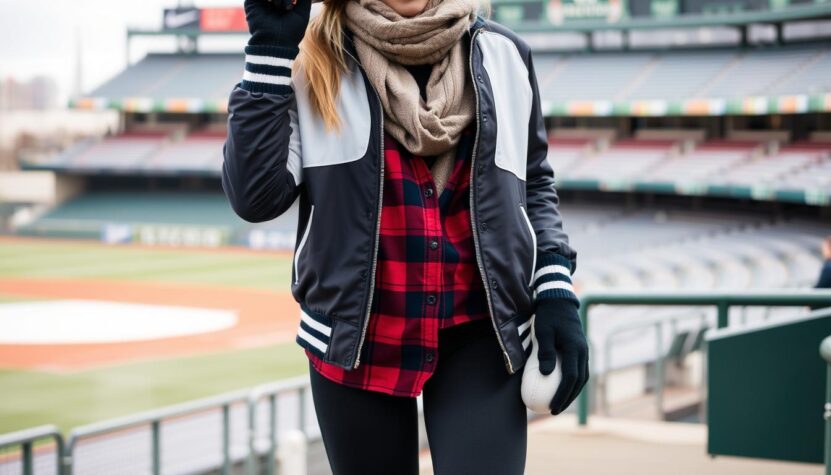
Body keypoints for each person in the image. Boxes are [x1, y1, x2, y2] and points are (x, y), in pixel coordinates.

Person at [222, 0, 589, 472]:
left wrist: (555, 287)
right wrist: (270, 52)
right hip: (357, 342)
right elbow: (255, 197)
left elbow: (533, 181)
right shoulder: (308, 58)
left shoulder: (506, 54)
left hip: (482, 334)